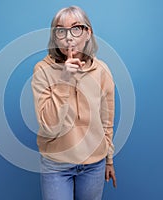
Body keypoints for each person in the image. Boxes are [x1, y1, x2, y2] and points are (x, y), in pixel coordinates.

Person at [31, 6, 116, 200]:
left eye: (76, 28)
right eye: (61, 30)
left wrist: (109, 159)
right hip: (56, 165)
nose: (69, 37)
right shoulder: (42, 70)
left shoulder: (102, 71)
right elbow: (49, 127)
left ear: (88, 33)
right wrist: (64, 80)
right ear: (55, 37)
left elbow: (107, 121)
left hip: (94, 164)